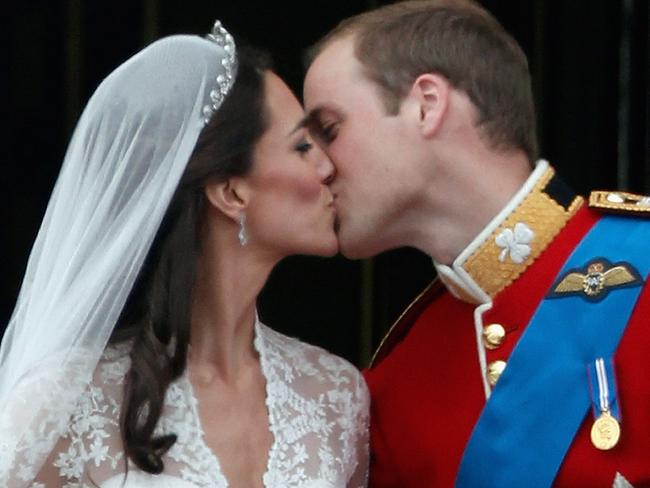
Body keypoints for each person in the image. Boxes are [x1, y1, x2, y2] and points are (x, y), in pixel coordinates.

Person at [0, 21, 369, 487]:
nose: (327, 166)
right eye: (301, 146)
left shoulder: (336, 394)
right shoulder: (66, 402)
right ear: (231, 192)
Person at [302, 0, 650, 486]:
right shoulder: (395, 385)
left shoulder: (642, 262)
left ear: (426, 104)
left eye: (329, 131)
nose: (316, 168)